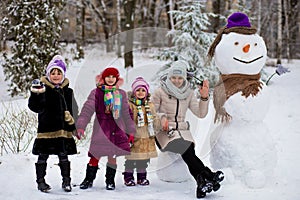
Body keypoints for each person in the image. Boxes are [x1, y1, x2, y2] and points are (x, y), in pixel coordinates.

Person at [151, 60, 224, 198]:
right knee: (186, 150)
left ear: (184, 78)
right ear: (168, 77)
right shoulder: (160, 92)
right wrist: (161, 118)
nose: (176, 81)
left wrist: (204, 97)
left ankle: (202, 182)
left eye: (180, 78)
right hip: (165, 132)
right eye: (173, 77)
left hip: (183, 133)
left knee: (188, 151)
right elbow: (151, 111)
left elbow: (201, 114)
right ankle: (209, 176)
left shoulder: (188, 94)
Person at [76, 67, 136, 190]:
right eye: (108, 76)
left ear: (117, 79)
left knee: (112, 156)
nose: (110, 79)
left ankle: (110, 181)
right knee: (95, 155)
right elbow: (87, 109)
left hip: (117, 129)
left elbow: (126, 113)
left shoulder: (121, 94)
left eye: (113, 77)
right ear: (103, 78)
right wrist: (81, 125)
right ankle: (88, 179)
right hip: (101, 129)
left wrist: (131, 131)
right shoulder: (96, 92)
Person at [28, 55, 78, 193]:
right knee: (43, 156)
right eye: (53, 72)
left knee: (63, 155)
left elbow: (74, 109)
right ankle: (40, 181)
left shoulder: (68, 91)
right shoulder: (43, 89)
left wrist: (74, 125)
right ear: (48, 74)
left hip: (63, 130)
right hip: (46, 130)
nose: (56, 76)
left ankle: (66, 181)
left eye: (59, 73)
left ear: (63, 74)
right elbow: (34, 107)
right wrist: (36, 94)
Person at [123, 77, 160, 186]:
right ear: (134, 92)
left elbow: (154, 117)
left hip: (147, 135)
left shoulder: (150, 105)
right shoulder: (130, 105)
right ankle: (128, 177)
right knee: (131, 158)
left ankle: (142, 177)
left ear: (147, 92)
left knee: (143, 158)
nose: (140, 93)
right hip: (134, 135)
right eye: (138, 90)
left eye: (143, 90)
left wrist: (158, 124)